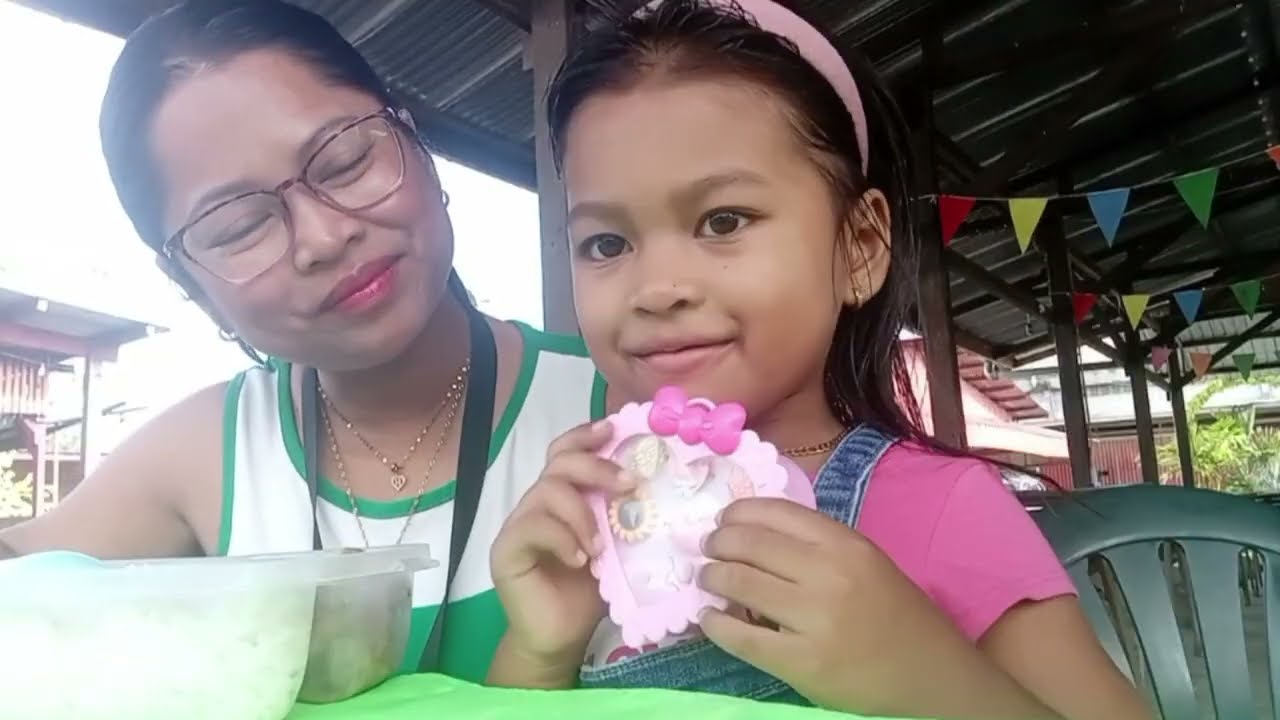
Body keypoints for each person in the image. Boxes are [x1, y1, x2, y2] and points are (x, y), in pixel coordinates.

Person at [486, 1, 1150, 718]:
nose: (657, 290)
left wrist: (929, 677)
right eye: (606, 244)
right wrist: (540, 650)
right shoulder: (599, 512)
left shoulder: (943, 505)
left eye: (723, 221)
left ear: (859, 246)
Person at [0, 0, 608, 683]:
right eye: (238, 228)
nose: (323, 238)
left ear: (416, 145)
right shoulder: (208, 451)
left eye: (346, 160)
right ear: (189, 283)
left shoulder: (621, 404)